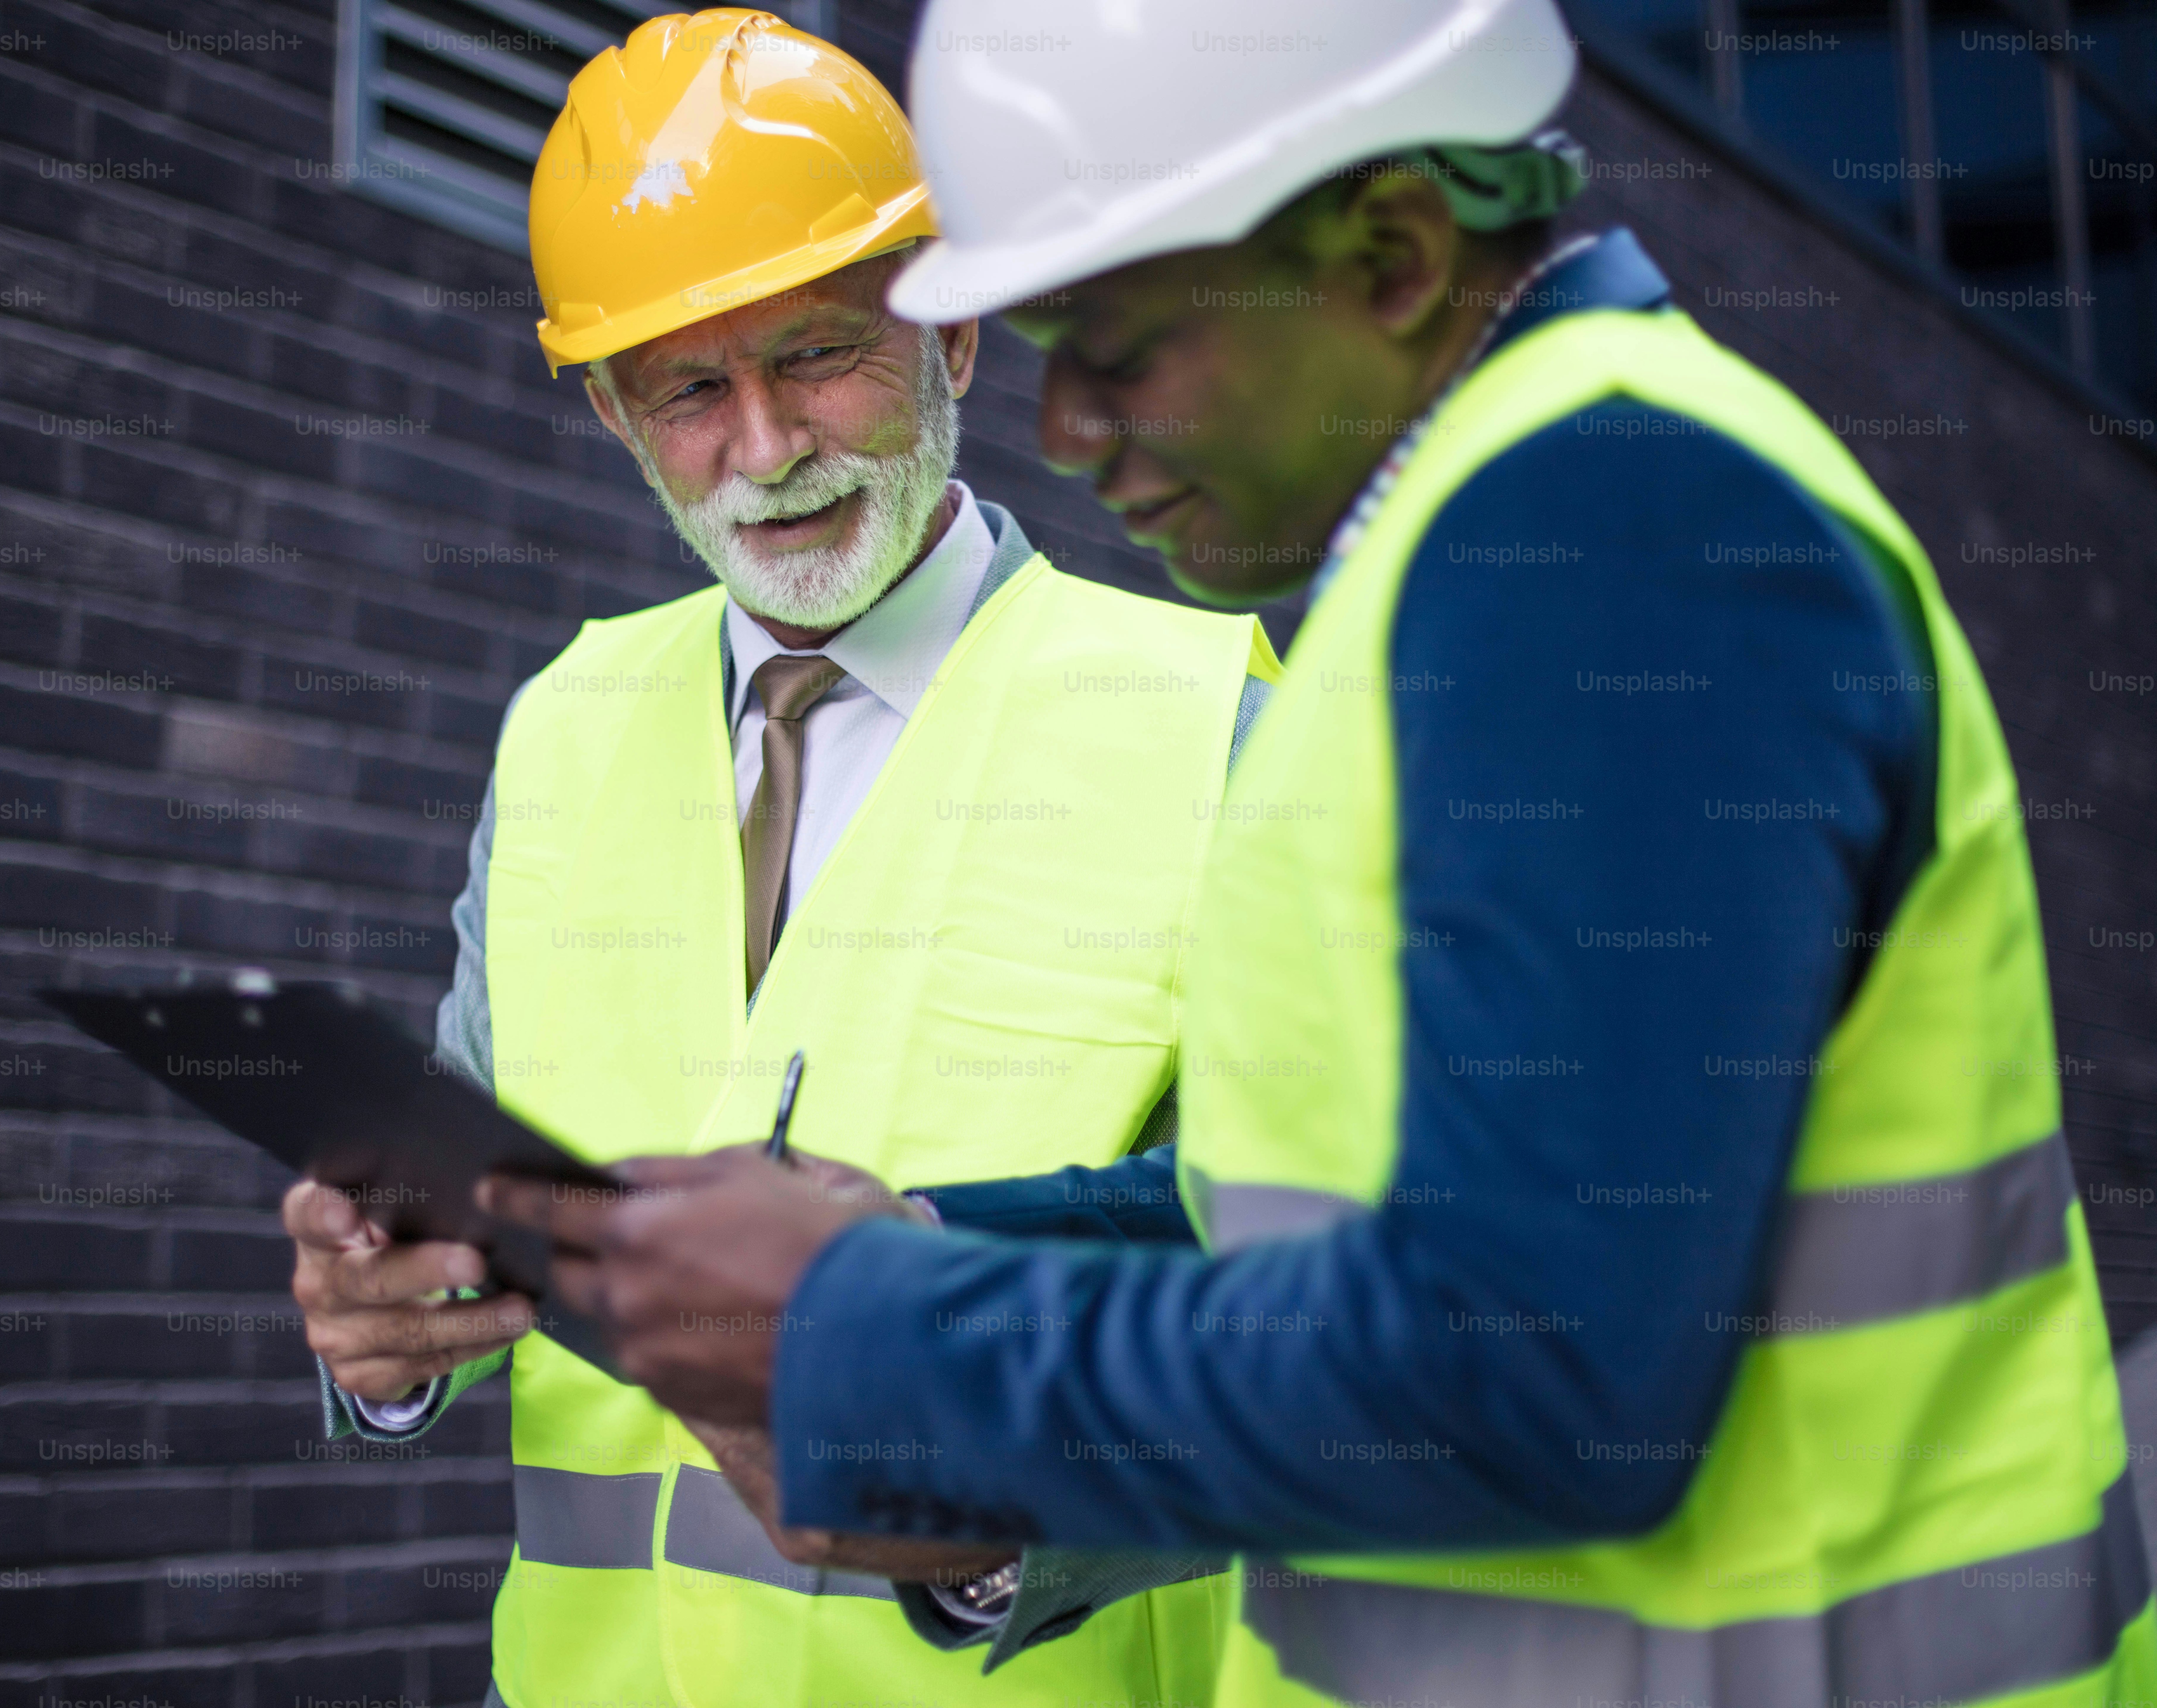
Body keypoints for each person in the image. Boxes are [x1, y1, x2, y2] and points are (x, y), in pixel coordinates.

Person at [483, 0, 2157, 1701]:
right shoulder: (1483, 552)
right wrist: (920, 1246)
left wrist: (887, 1343)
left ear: (1395, 257)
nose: (1068, 431)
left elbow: (1536, 1372)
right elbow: (1359, 1236)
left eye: (1115, 344)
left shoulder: (1615, 544)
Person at [283, 11, 1276, 1708]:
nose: (765, 447)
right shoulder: (565, 725)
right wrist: (391, 1329)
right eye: (688, 388)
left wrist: (983, 1506)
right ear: (616, 415)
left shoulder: (1212, 721)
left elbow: (1313, 1291)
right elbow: (470, 1208)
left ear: (953, 332)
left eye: (818, 354)